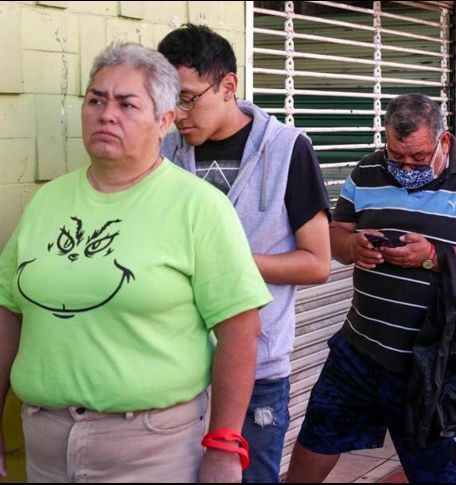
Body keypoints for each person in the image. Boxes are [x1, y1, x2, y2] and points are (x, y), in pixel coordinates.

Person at [0, 42, 272, 483]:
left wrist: (224, 444)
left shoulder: (198, 207)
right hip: (45, 442)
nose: (107, 114)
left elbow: (240, 331)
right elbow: (8, 310)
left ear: (165, 121)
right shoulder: (46, 201)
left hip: (151, 448)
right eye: (96, 100)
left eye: (127, 104)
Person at [284, 94, 456, 483]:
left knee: (439, 471)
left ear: (443, 142)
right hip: (360, 348)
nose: (406, 168)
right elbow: (336, 235)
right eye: (397, 158)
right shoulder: (366, 172)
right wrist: (353, 246)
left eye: (418, 157)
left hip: (434, 364)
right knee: (317, 438)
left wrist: (432, 254)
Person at [158, 24, 332, 483]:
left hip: (258, 371)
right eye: (169, 101)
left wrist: (229, 266)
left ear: (229, 85)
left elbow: (317, 263)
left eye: (189, 97)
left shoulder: (288, 150)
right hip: (175, 368)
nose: (177, 114)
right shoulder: (163, 152)